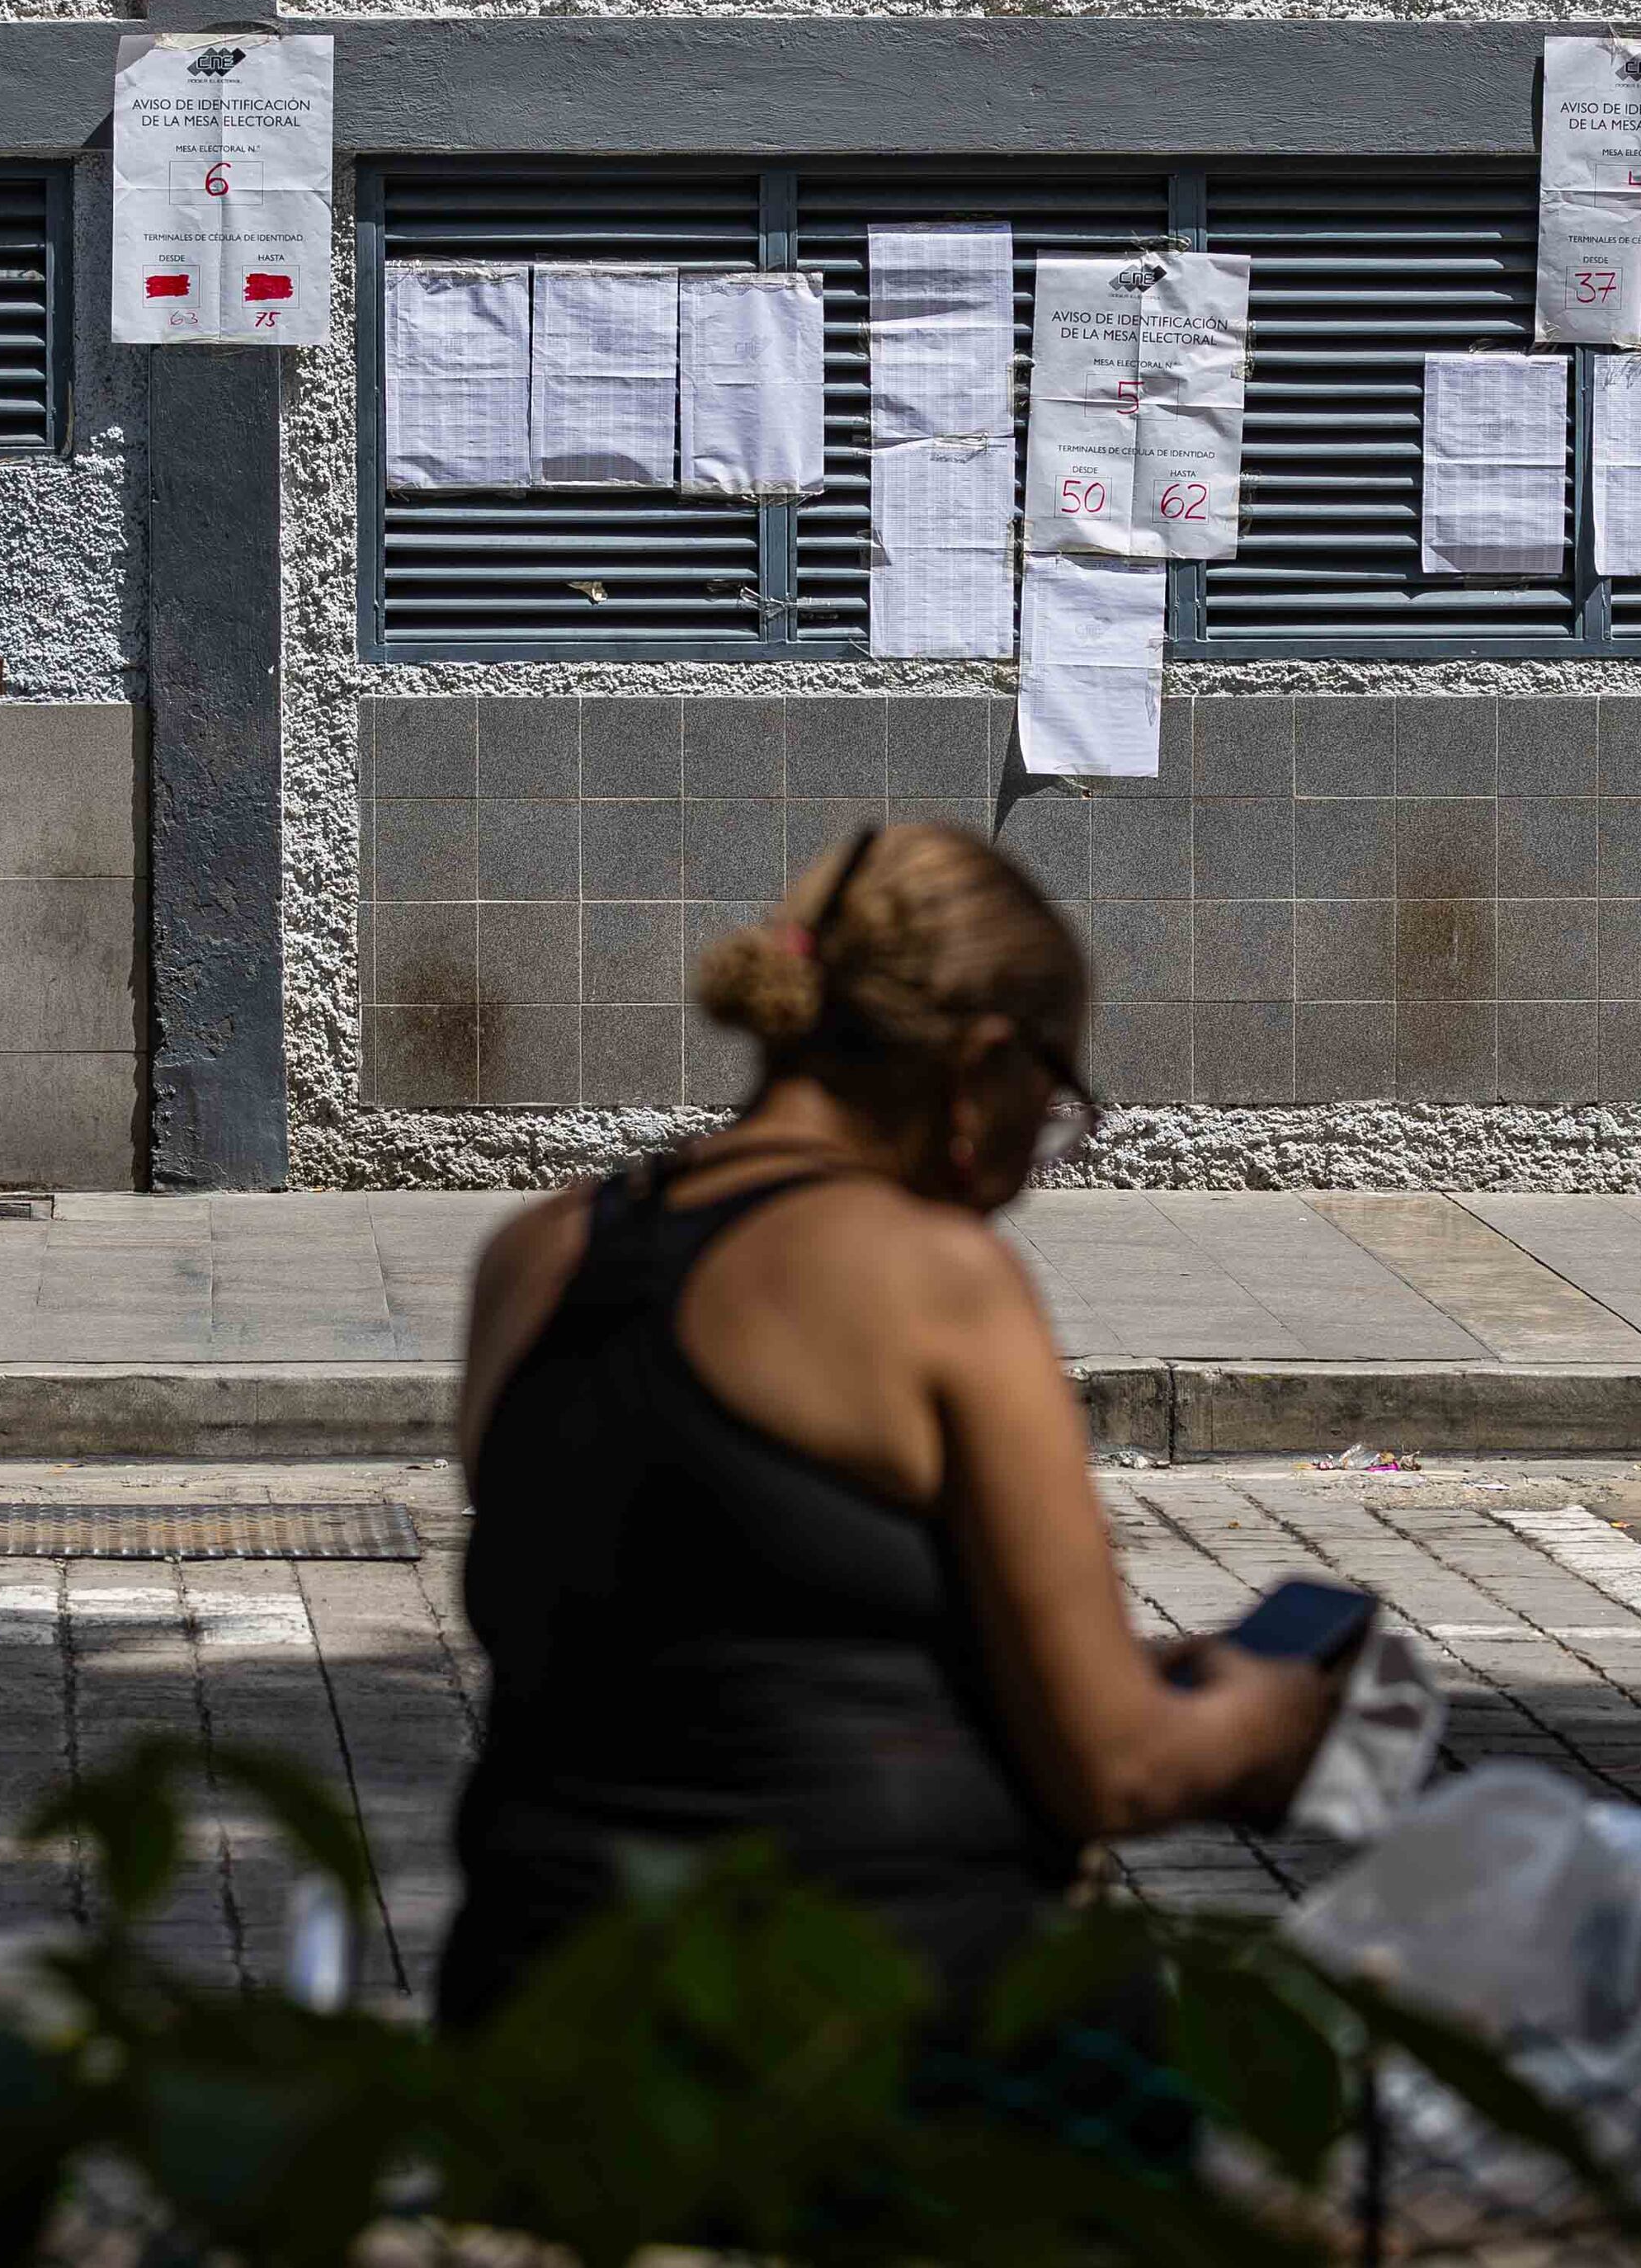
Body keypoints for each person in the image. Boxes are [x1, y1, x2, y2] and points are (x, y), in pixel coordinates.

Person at [441, 823, 1342, 2029]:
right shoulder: (935, 1278)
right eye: (1058, 1093)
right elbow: (1121, 1768)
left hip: (536, 2018)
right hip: (867, 2043)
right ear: (980, 1067)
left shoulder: (539, 1251)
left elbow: (707, 1631)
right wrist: (1268, 1718)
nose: (1044, 1148)